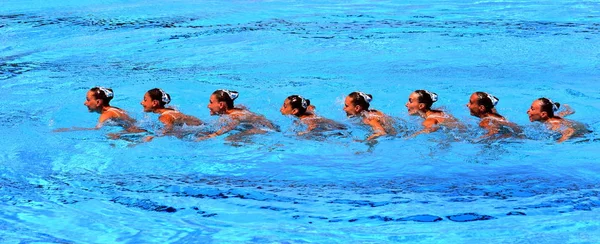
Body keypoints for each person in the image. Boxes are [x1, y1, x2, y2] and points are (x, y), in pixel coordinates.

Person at [198, 89, 278, 141]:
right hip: (270, 125)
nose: (208, 106)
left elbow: (227, 128)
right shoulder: (236, 108)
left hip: (267, 130)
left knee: (230, 139)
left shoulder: (233, 116)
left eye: (211, 102)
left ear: (221, 105)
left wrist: (209, 136)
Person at [54, 87, 141, 132]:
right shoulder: (116, 109)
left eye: (88, 100)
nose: (85, 103)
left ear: (98, 102)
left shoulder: (105, 115)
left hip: (136, 135)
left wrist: (70, 129)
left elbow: (97, 130)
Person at [280, 95, 347, 135]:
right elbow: (311, 106)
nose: (281, 108)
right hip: (338, 124)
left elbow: (313, 126)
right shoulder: (308, 109)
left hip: (338, 129)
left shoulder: (305, 120)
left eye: (284, 106)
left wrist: (303, 133)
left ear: (294, 111)